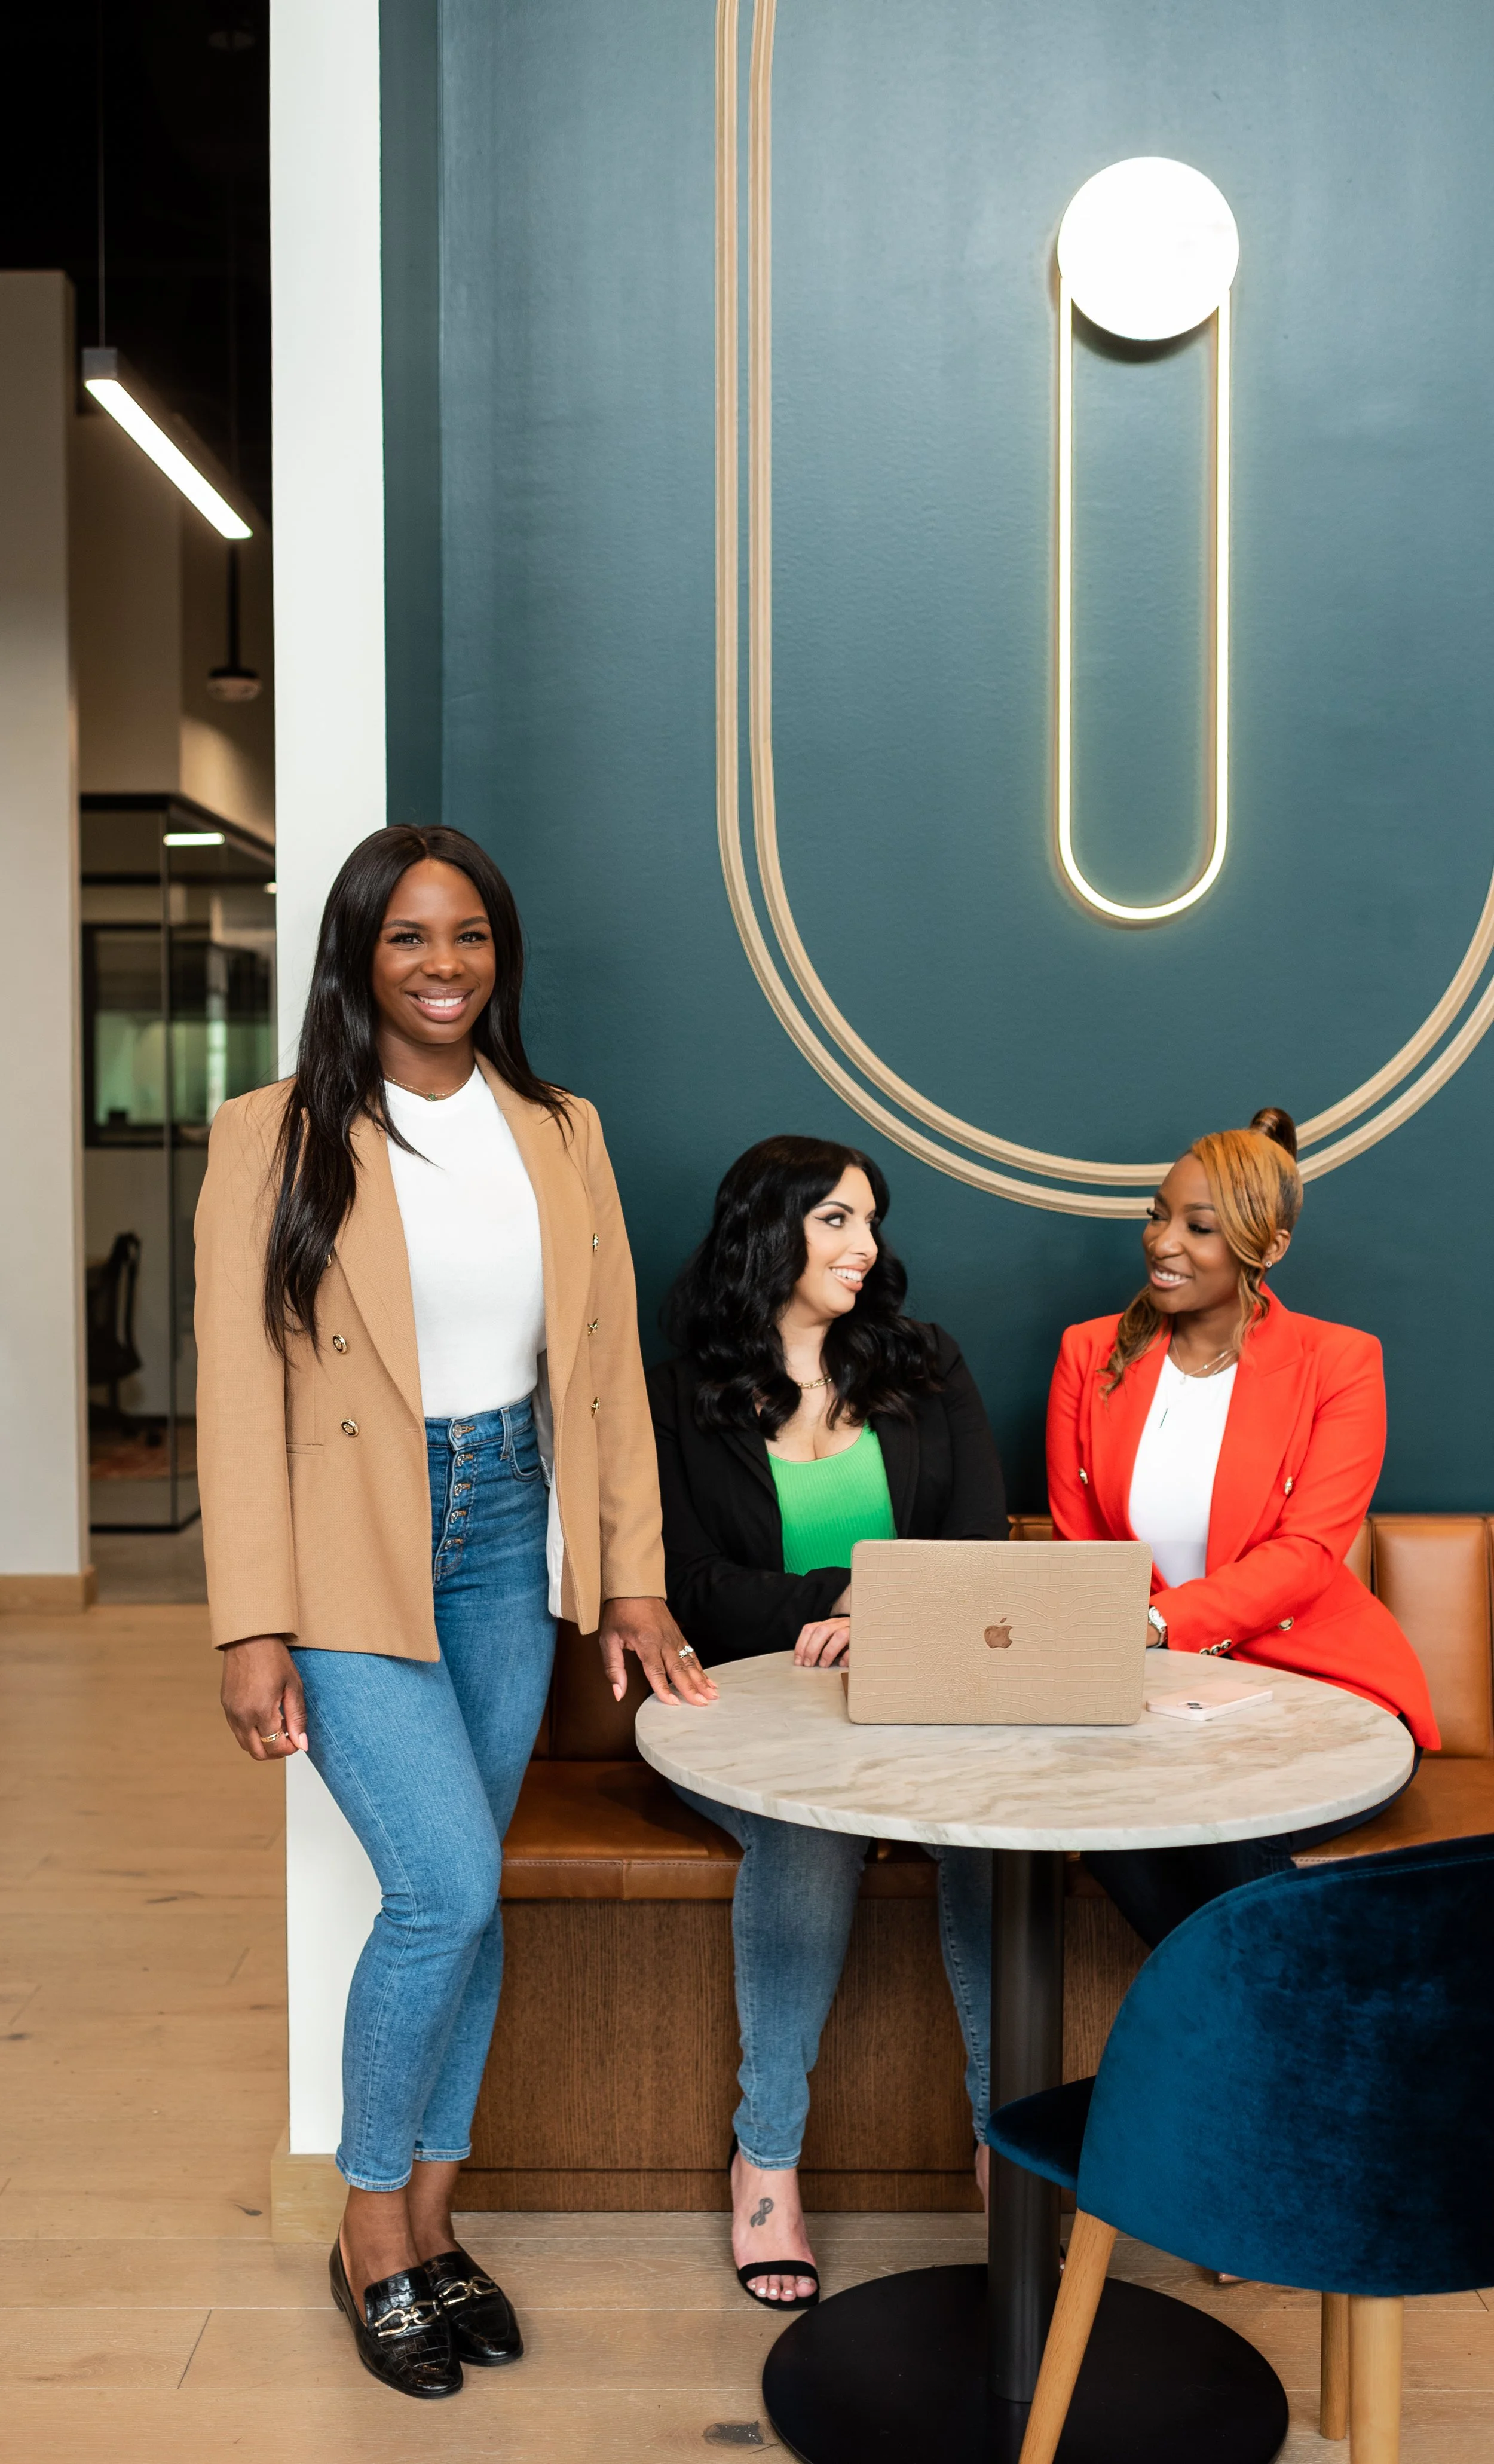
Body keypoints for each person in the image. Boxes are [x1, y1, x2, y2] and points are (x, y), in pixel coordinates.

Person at [195, 824, 714, 2402]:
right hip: (353, 1534)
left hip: (508, 1532)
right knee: (442, 1891)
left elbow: (610, 1365)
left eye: (470, 935)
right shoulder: (270, 1132)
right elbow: (233, 1388)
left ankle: (433, 2215)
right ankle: (368, 2227)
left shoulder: (561, 1130)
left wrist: (630, 1571)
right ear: (360, 954)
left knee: (471, 1889)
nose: (443, 966)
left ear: (502, 955)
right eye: (410, 938)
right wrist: (249, 1622)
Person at [649, 1135, 1006, 2309]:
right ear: (769, 1229)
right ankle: (768, 2159)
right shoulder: (689, 1393)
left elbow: (974, 1558)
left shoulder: (924, 1366)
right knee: (804, 1831)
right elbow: (686, 1586)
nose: (867, 1247)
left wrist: (888, 1615)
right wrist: (839, 1596)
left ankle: (1003, 2148)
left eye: (870, 1223)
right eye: (838, 1222)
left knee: (988, 1831)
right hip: (737, 1714)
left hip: (917, 1708)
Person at [1047, 1105, 1438, 1951]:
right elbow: (1083, 1549)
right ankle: (1278, 2056)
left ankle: (1261, 2052)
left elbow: (1304, 1557)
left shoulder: (1340, 1362)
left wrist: (1156, 1626)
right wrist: (1137, 1650)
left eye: (1199, 1227)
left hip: (1319, 1681)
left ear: (1270, 1245)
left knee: (1224, 1824)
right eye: (1157, 1214)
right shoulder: (1090, 1354)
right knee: (1114, 1827)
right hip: (1151, 1699)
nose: (1162, 1242)